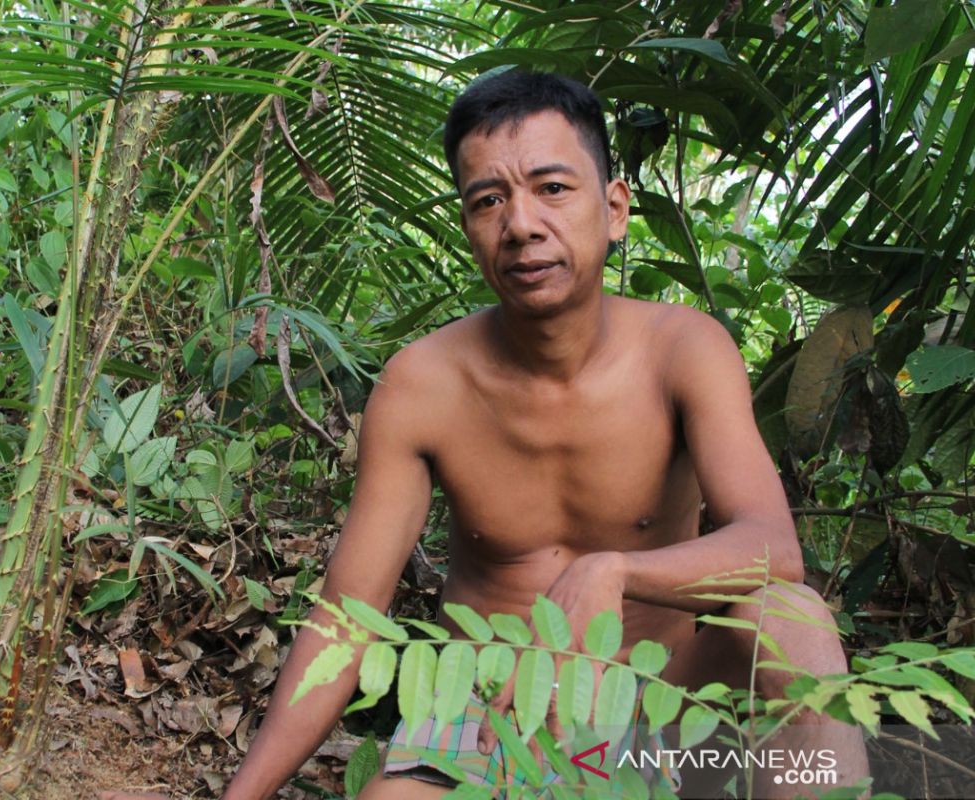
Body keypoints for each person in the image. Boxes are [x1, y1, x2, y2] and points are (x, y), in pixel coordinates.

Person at [214, 71, 869, 799]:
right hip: (482, 718)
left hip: (656, 711)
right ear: (468, 229)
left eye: (552, 188)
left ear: (614, 209)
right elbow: (346, 623)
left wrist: (611, 571)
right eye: (488, 201)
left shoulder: (683, 350)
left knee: (791, 618)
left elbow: (774, 549)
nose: (521, 224)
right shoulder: (422, 384)